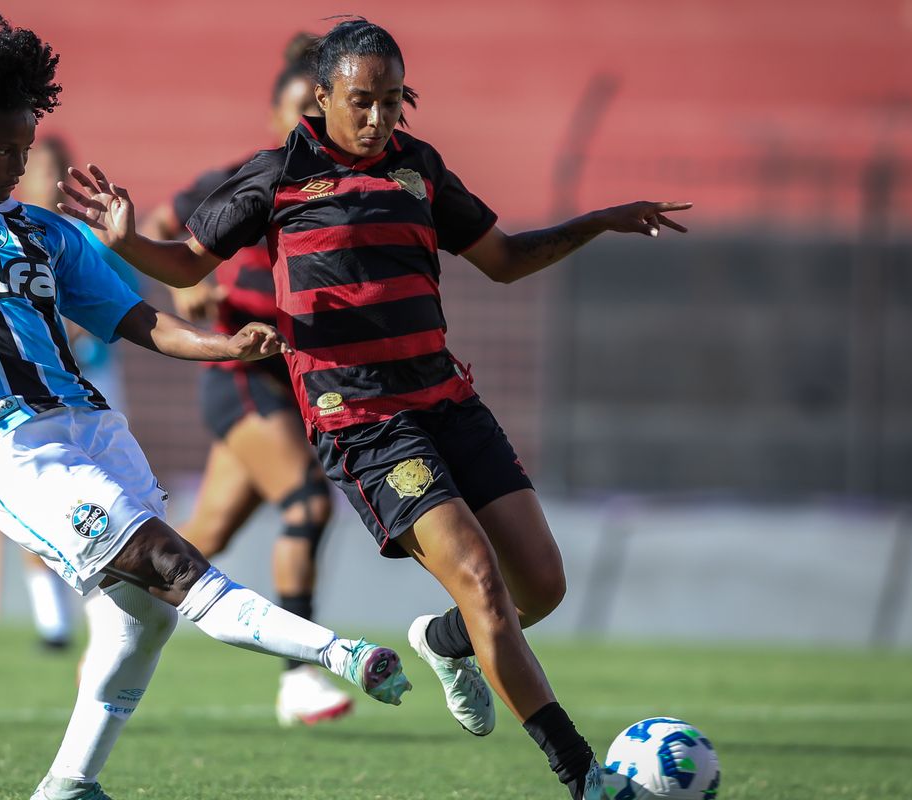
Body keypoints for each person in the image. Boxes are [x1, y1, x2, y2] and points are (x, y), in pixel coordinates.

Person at [0, 15, 410, 800]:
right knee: (170, 564)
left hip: (95, 430)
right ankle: (339, 657)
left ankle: (67, 786)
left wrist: (225, 346)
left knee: (142, 618)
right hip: (10, 450)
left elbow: (139, 321)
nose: (24, 159)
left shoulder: (46, 232)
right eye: (9, 145)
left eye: (29, 141)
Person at [57, 17, 690, 800]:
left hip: (449, 400)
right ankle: (586, 777)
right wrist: (122, 238)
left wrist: (596, 221)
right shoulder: (277, 175)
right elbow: (187, 261)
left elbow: (505, 261)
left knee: (543, 588)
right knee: (481, 580)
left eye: (393, 100)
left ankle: (446, 641)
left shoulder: (419, 169)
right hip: (362, 420)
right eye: (363, 100)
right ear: (321, 97)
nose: (380, 117)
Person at [139, 33, 352, 727]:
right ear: (274, 114)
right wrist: (187, 293)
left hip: (298, 383)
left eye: (316, 116)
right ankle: (300, 676)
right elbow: (159, 228)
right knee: (308, 503)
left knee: (201, 539)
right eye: (295, 113)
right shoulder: (240, 179)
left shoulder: (350, 191)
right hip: (241, 371)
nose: (305, 129)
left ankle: (117, 616)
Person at [4, 135, 143, 652]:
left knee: (111, 494)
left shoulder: (87, 237)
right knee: (36, 495)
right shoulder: (2, 236)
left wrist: (81, 325)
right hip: (28, 387)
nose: (50, 177)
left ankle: (106, 615)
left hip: (93, 382)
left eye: (59, 168)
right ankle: (52, 624)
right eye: (41, 167)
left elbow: (125, 300)